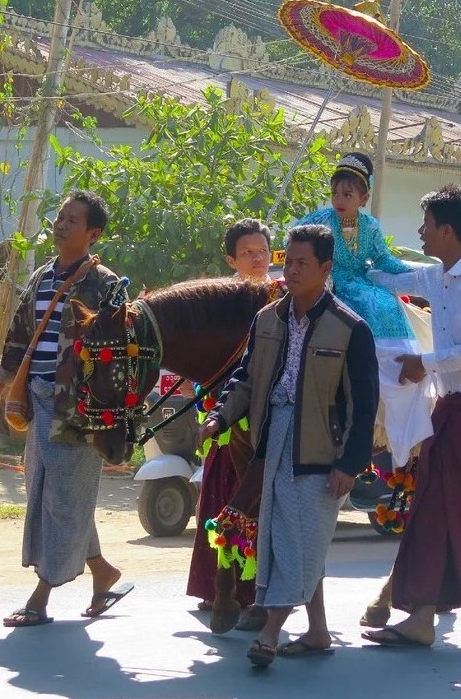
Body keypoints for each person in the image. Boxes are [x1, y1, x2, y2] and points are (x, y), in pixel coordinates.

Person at [200, 224, 378, 667]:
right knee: (287, 539)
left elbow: (364, 403)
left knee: (298, 539)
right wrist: (219, 416)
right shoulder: (266, 320)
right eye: (288, 261)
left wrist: (350, 464)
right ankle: (317, 632)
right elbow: (245, 379)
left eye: (302, 263)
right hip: (269, 441)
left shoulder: (350, 329)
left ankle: (270, 632)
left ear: (325, 268)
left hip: (320, 452)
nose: (291, 270)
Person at [360, 184, 461, 648]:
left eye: (425, 224)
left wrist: (423, 363)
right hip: (448, 409)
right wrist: (349, 262)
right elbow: (390, 281)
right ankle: (422, 616)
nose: (420, 231)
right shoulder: (435, 276)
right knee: (429, 506)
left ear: (447, 231)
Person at [0, 191, 133, 626]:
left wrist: (112, 419)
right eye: (60, 216)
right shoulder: (43, 276)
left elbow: (119, 358)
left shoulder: (106, 285)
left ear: (93, 233)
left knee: (61, 499)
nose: (61, 224)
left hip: (79, 411)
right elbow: (17, 343)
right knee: (55, 494)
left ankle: (41, 596)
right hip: (37, 400)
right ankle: (103, 572)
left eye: (72, 219)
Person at [297, 152, 433, 467]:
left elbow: (383, 261)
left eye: (347, 194)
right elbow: (295, 239)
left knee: (385, 302)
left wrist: (411, 275)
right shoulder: (320, 220)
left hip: (361, 283)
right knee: (366, 301)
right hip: (332, 284)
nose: (339, 200)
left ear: (364, 197)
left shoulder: (370, 226)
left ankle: (395, 374)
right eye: (335, 193)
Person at [186, 218, 275, 631]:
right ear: (231, 259)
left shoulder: (284, 297)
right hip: (223, 410)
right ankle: (214, 588)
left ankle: (253, 593)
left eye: (262, 252)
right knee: (220, 493)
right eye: (247, 253)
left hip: (264, 420)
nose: (257, 259)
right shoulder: (220, 302)